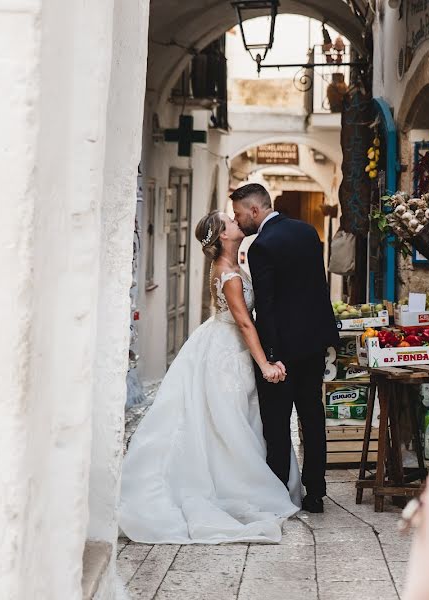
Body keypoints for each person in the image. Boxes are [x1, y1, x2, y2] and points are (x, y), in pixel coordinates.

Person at [118, 211, 301, 544]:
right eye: (230, 221)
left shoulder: (232, 268)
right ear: (221, 236)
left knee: (234, 420)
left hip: (225, 344)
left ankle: (234, 480)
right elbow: (245, 323)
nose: (236, 222)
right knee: (227, 421)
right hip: (226, 352)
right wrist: (265, 365)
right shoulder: (229, 275)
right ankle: (229, 487)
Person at [230, 183, 340, 513]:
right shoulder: (307, 232)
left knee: (277, 423)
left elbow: (268, 306)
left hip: (285, 349)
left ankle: (278, 491)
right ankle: (316, 492)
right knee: (312, 415)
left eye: (239, 214)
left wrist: (271, 357)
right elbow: (316, 288)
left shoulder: (262, 245)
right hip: (314, 342)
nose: (238, 221)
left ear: (254, 210)